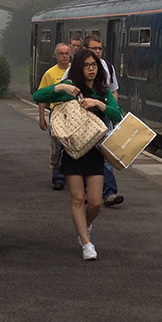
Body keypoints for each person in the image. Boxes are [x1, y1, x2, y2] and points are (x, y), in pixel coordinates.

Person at [33, 48, 122, 260]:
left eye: (94, 65)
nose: (91, 69)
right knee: (77, 198)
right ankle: (86, 244)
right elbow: (38, 96)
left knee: (95, 203)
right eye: (86, 65)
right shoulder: (70, 89)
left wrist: (99, 103)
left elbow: (117, 114)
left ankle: (85, 226)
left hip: (95, 151)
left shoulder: (103, 91)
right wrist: (60, 87)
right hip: (73, 150)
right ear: (78, 68)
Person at [84, 35, 124, 207]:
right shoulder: (74, 69)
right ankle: (88, 192)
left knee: (106, 155)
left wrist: (111, 110)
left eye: (100, 48)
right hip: (84, 120)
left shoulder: (108, 67)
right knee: (85, 155)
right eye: (94, 49)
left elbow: (113, 91)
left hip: (104, 115)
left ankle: (110, 193)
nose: (98, 52)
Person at [37, 43, 72, 190]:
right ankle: (58, 178)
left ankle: (73, 176)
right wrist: (42, 117)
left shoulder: (74, 71)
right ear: (56, 56)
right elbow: (42, 96)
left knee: (73, 146)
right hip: (57, 112)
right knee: (57, 146)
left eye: (66, 53)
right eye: (61, 53)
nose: (64, 56)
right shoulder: (50, 74)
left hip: (73, 113)